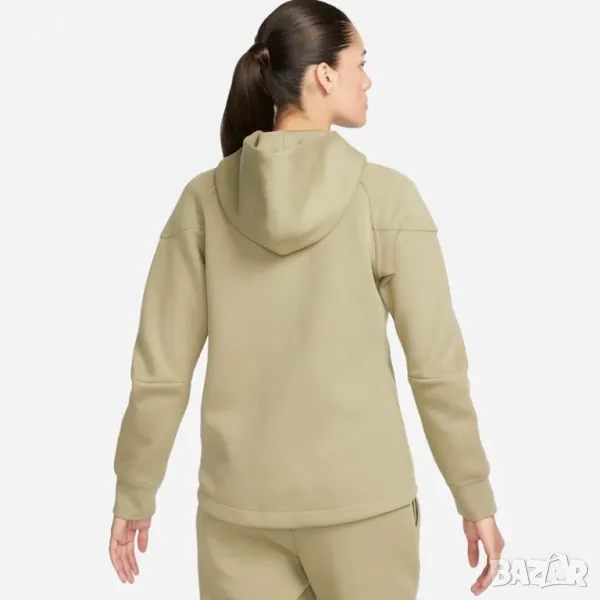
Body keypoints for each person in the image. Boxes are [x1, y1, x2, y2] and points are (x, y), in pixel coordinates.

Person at [108, 0, 504, 598]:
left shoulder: (203, 201)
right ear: (324, 75)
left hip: (238, 513)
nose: (367, 80)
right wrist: (474, 495)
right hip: (364, 509)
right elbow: (437, 369)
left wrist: (135, 490)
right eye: (359, 64)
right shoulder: (386, 198)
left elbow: (160, 370)